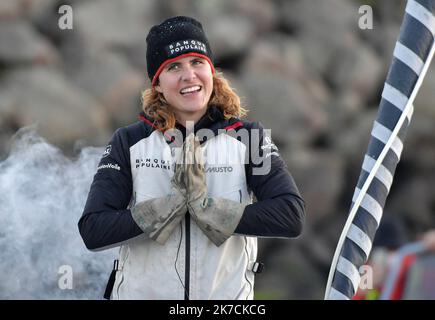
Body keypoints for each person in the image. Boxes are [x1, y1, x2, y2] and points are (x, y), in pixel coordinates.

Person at [78, 16, 305, 300]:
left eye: (197, 63)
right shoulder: (130, 141)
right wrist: (164, 209)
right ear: (157, 84)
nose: (189, 76)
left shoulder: (249, 138)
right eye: (174, 67)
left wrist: (208, 209)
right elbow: (93, 230)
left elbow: (290, 216)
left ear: (212, 72)